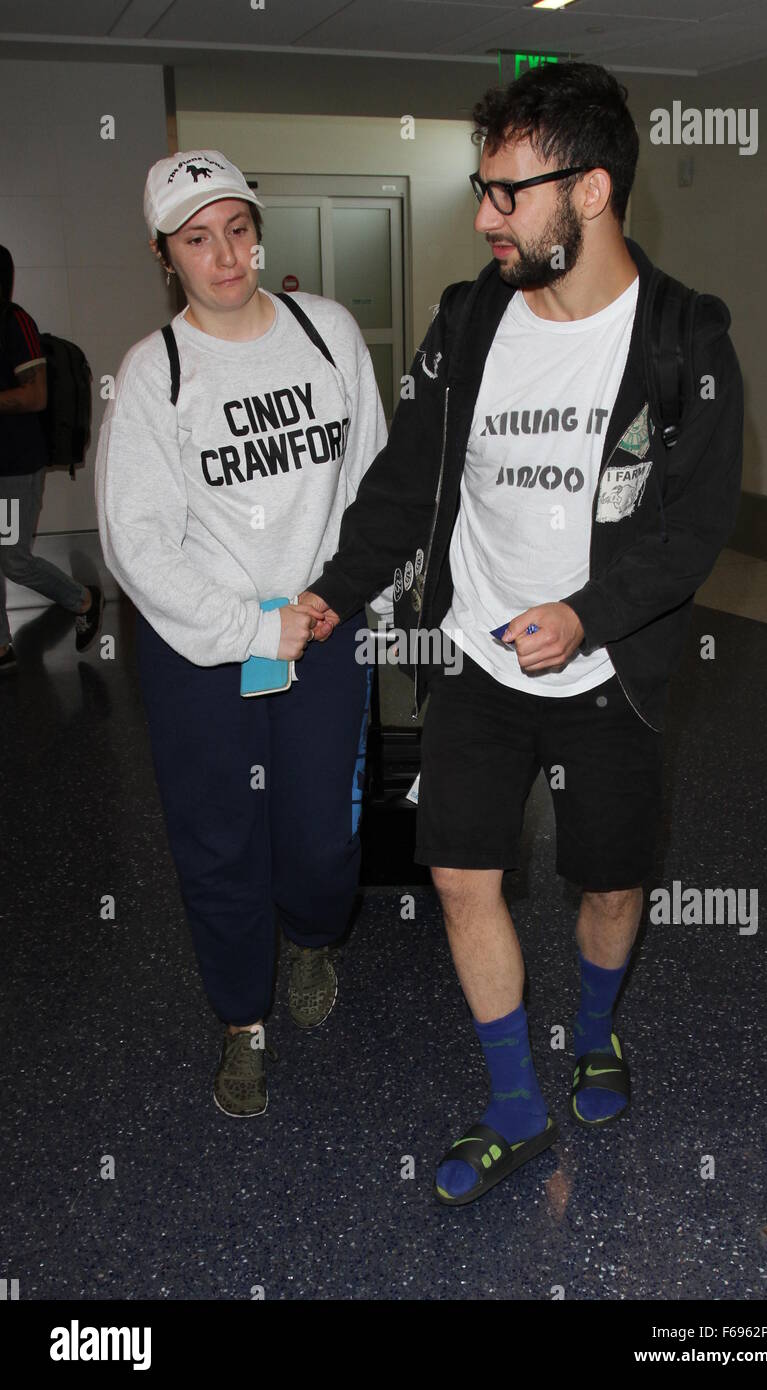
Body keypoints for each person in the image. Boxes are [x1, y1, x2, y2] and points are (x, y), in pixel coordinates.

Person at [302, 63, 743, 1204]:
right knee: (459, 873)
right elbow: (406, 483)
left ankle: (596, 1030)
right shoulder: (470, 319)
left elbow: (692, 527)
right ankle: (514, 1104)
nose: (485, 216)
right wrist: (333, 591)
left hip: (612, 673)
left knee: (608, 882)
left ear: (590, 190)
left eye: (508, 191)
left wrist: (587, 614)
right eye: (481, 189)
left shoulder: (685, 339)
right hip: (484, 664)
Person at [95, 150, 389, 1117]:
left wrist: (355, 601)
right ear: (164, 255)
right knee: (218, 845)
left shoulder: (328, 333)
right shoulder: (153, 373)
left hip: (325, 631)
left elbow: (369, 483)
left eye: (236, 228)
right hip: (204, 653)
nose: (224, 256)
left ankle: (310, 935)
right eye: (196, 239)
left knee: (321, 841)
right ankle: (240, 1023)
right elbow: (136, 544)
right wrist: (249, 627)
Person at [0, 246, 103, 670]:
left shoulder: (14, 321)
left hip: (12, 469)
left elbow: (36, 395)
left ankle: (83, 600)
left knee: (11, 558)